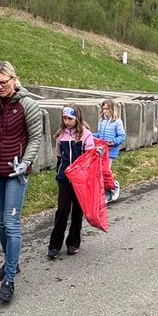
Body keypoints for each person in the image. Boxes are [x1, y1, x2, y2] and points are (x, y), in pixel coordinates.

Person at [0, 61, 43, 303]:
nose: (0, 87)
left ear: (14, 80)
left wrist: (26, 162)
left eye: (4, 82)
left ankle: (10, 279)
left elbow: (36, 137)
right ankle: (9, 262)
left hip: (16, 173)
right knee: (1, 223)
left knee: (12, 225)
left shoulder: (28, 105)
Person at [48, 104, 96, 258]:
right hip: (64, 178)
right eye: (64, 118)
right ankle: (54, 245)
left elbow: (90, 158)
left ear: (77, 118)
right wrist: (59, 173)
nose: (67, 121)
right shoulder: (61, 135)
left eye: (70, 118)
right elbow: (59, 157)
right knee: (62, 210)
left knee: (77, 211)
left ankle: (73, 242)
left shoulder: (85, 135)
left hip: (81, 180)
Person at [97, 99, 126, 203]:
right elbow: (100, 135)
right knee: (100, 172)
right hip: (101, 151)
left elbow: (122, 136)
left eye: (107, 109)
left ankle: (114, 187)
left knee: (105, 172)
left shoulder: (117, 122)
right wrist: (90, 135)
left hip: (111, 151)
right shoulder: (102, 121)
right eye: (104, 108)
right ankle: (106, 192)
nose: (105, 111)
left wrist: (113, 142)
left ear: (112, 109)